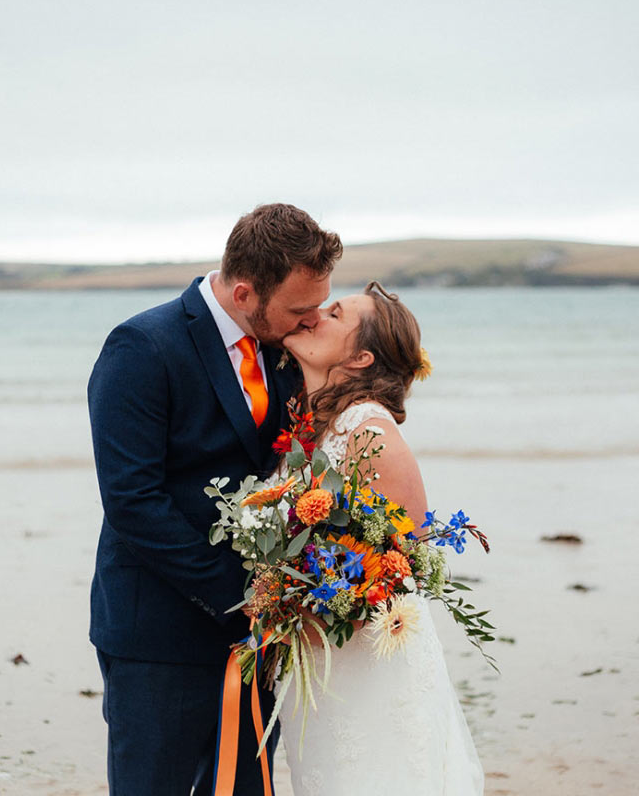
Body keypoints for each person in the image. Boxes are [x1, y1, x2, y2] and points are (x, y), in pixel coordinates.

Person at [87, 204, 342, 794]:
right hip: (159, 635)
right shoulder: (142, 348)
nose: (310, 324)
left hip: (262, 633)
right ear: (247, 291)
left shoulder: (285, 347)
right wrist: (241, 597)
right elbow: (132, 501)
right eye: (299, 311)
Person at [276, 281, 484, 795]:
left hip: (369, 673)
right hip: (327, 671)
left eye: (334, 313)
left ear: (361, 356)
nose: (314, 315)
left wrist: (309, 600)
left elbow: (398, 567)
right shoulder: (318, 427)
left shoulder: (371, 434)